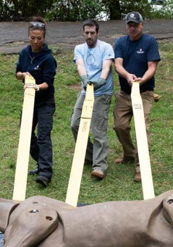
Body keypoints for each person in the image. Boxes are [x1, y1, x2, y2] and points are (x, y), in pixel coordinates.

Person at [113, 11, 160, 182]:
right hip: (124, 93)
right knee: (119, 126)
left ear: (142, 25)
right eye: (130, 25)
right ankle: (129, 154)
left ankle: (141, 167)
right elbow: (118, 65)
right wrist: (127, 76)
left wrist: (141, 81)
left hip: (144, 93)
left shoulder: (149, 42)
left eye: (135, 25)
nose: (132, 28)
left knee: (142, 129)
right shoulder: (120, 42)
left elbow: (152, 67)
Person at [70, 20, 114, 180]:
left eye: (92, 33)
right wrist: (84, 79)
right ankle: (89, 156)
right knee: (75, 123)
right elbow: (80, 66)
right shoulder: (79, 49)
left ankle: (100, 166)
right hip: (85, 91)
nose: (89, 36)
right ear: (83, 33)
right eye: (86, 33)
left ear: (98, 32)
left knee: (98, 129)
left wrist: (100, 81)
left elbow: (106, 68)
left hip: (102, 92)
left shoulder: (106, 48)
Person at [15, 17, 57, 188]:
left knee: (43, 136)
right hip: (29, 101)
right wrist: (25, 75)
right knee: (26, 134)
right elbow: (17, 73)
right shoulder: (24, 53)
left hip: (45, 102)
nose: (35, 41)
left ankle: (45, 173)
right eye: (33, 37)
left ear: (43, 38)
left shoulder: (48, 58)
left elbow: (48, 83)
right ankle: (41, 163)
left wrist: (35, 87)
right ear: (28, 35)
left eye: (39, 38)